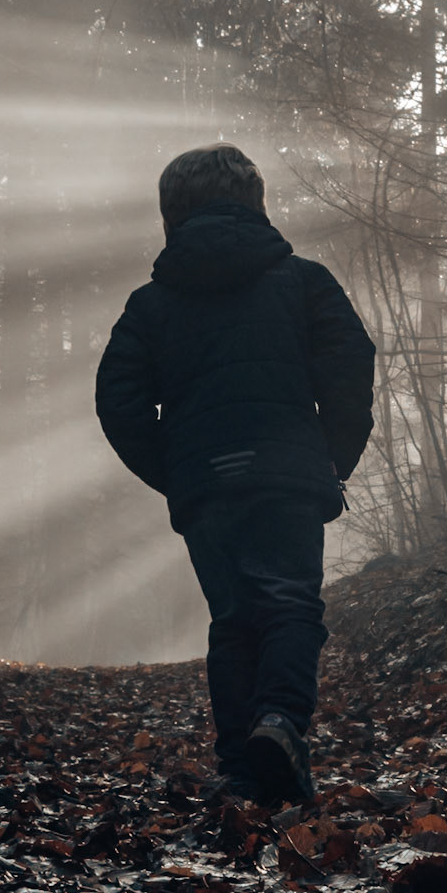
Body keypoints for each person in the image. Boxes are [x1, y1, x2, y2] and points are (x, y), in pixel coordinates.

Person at [96, 144, 375, 804]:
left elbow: (118, 401)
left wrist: (176, 471)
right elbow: (349, 365)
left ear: (171, 214)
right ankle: (278, 724)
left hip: (206, 488)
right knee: (288, 606)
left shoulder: (150, 306)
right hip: (288, 477)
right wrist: (334, 454)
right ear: (256, 203)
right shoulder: (304, 281)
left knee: (232, 619)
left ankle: (238, 769)